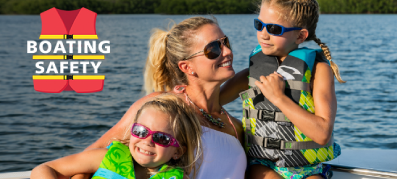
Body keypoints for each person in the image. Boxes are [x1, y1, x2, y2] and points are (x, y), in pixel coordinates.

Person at [73, 17, 246, 179]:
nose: (228, 51)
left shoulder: (235, 125)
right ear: (187, 66)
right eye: (214, 49)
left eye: (226, 42)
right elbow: (86, 162)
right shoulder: (160, 108)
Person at [220, 0, 344, 179]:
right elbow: (211, 102)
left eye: (274, 29)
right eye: (259, 25)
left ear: (300, 36)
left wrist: (279, 98)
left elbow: (323, 134)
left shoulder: (319, 70)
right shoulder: (253, 71)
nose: (263, 35)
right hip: (262, 164)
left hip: (308, 167)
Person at [31, 94, 202, 179]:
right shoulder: (105, 157)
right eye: (141, 131)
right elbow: (43, 170)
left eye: (161, 138)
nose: (147, 141)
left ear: (177, 151)